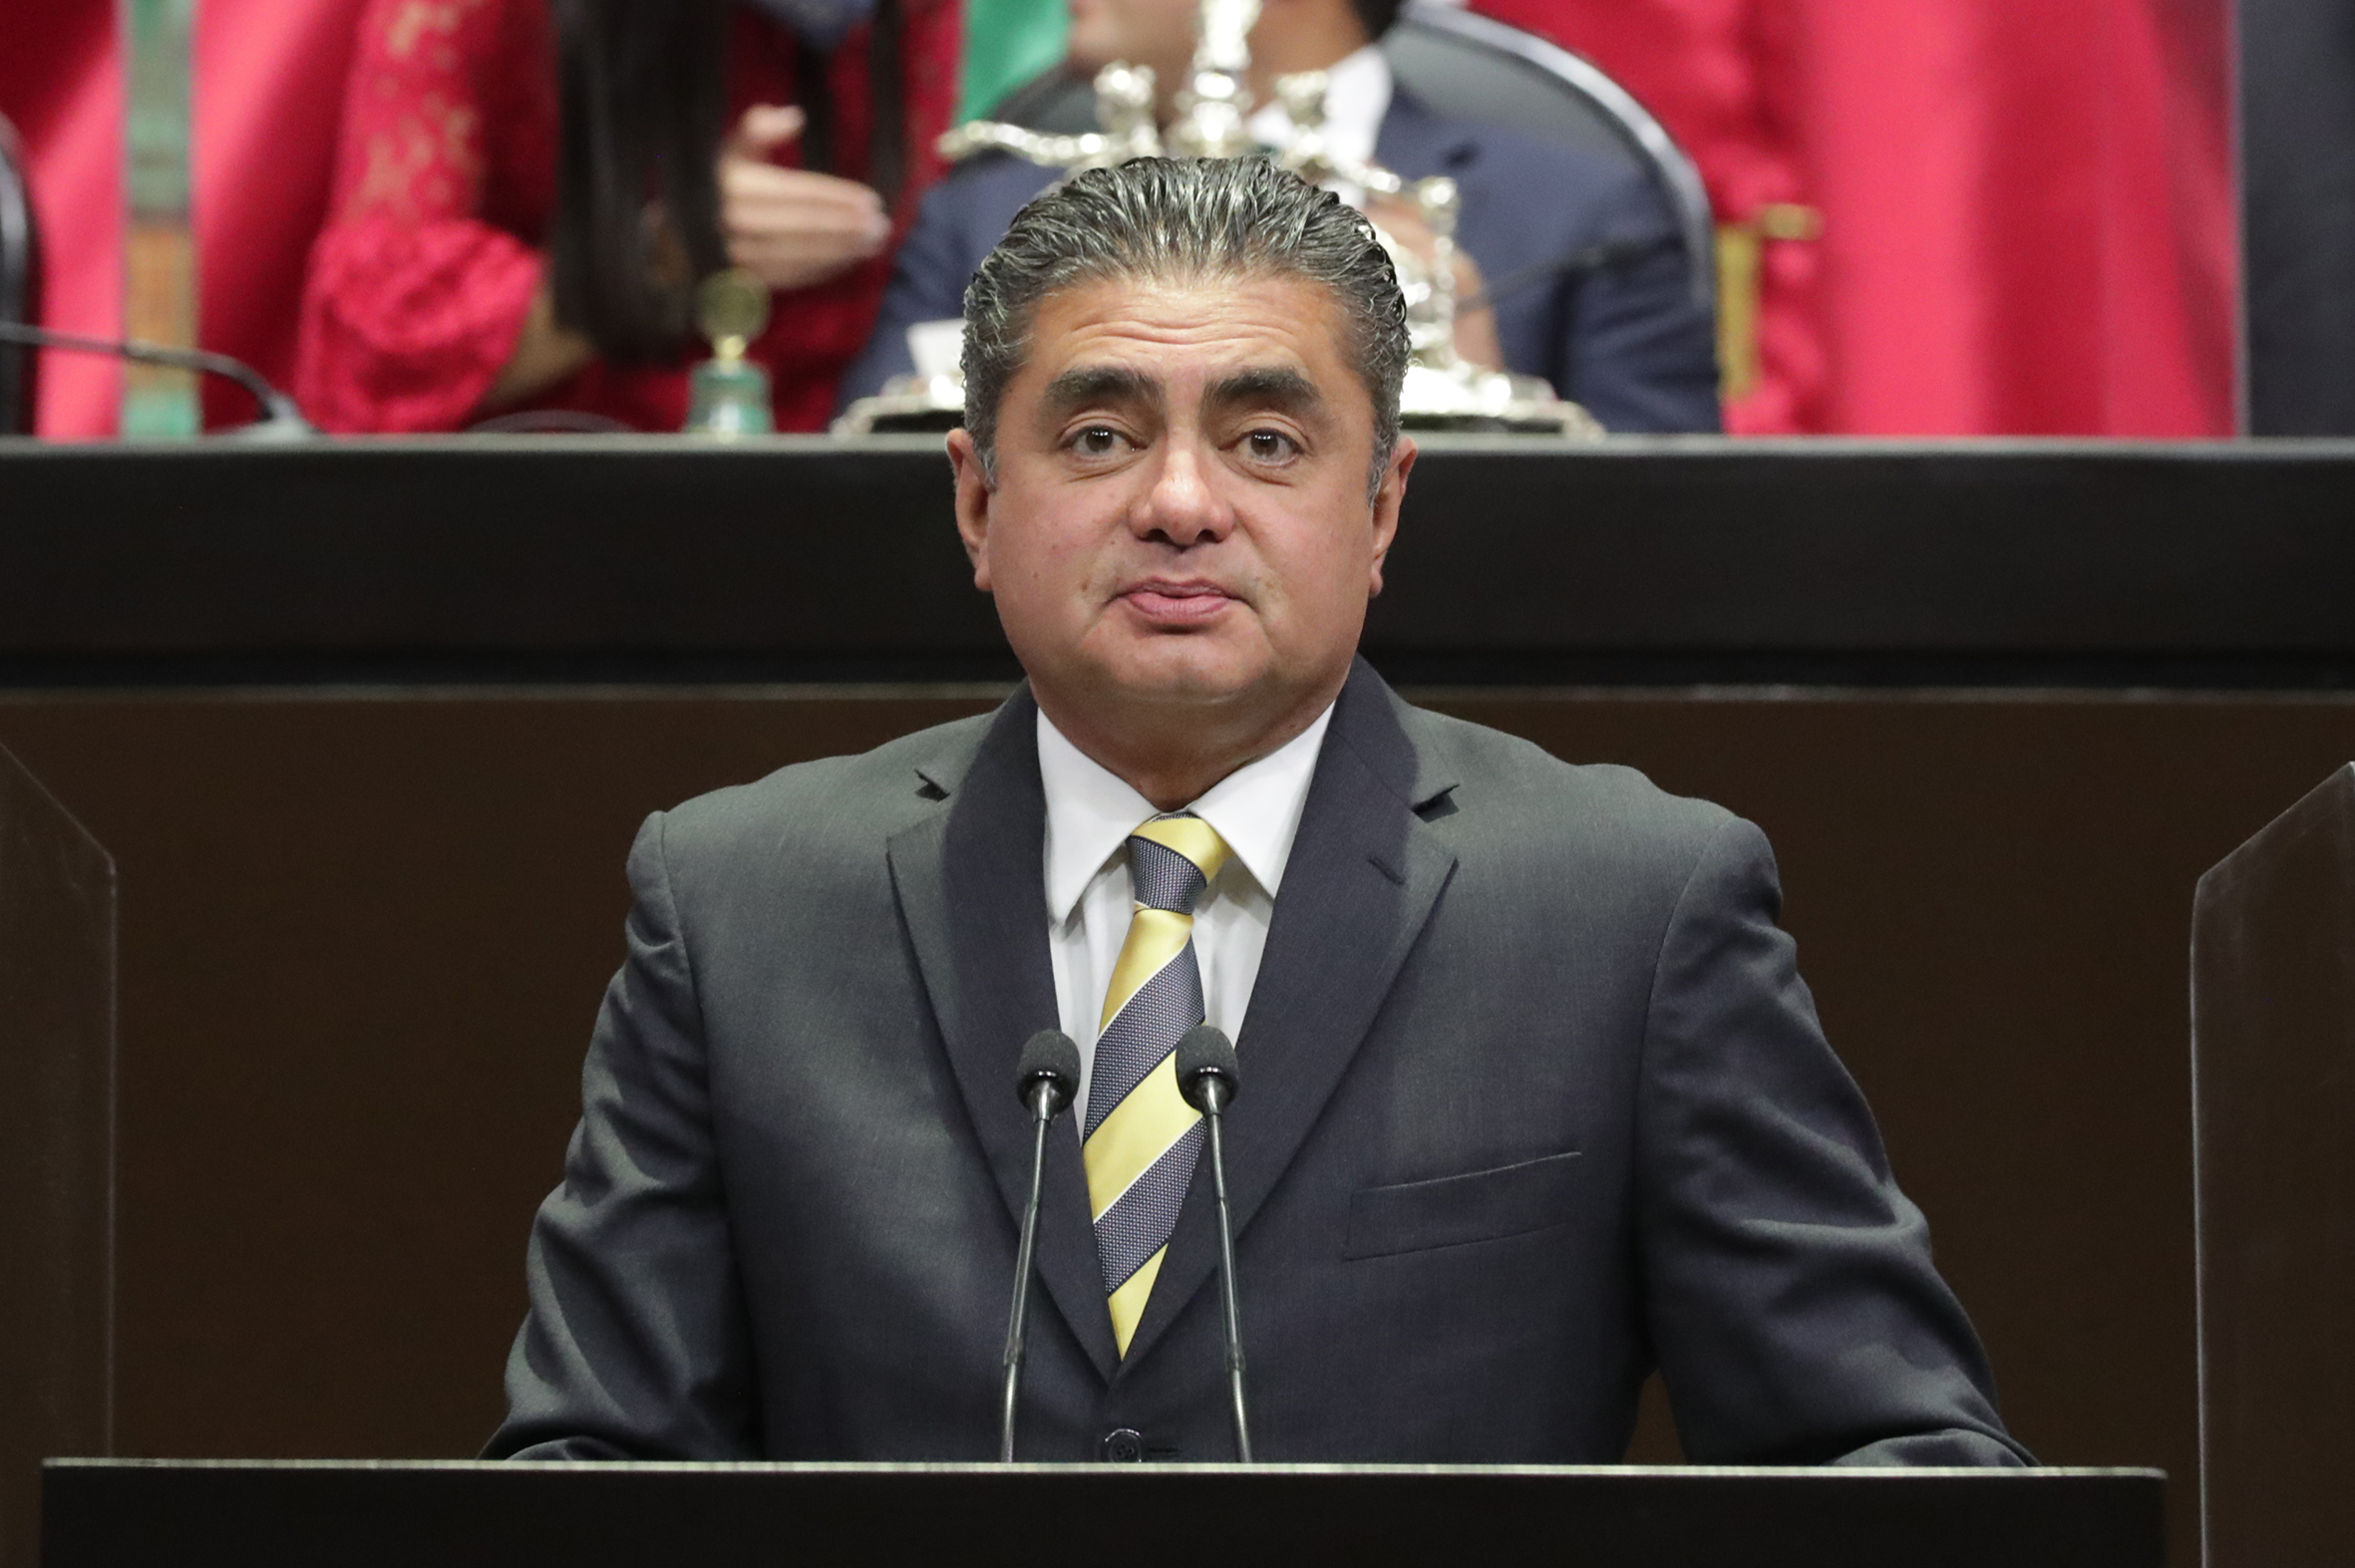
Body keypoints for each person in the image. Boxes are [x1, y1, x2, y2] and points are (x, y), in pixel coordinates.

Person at [491, 157, 2022, 1465]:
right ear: (975, 501)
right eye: (1098, 436)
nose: (1179, 502)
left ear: (1382, 507)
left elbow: (1893, 1458)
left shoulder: (1628, 909)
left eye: (1265, 442)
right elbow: (589, 1474)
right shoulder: (740, 905)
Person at [837, 0, 1722, 432]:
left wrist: (1487, 410)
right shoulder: (983, 214)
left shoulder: (1579, 216)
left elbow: (1675, 543)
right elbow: (862, 496)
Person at [293, 0, 958, 434]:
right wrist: (658, 258)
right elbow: (369, 346)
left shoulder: (894, 19)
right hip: (522, 502)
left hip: (814, 508)